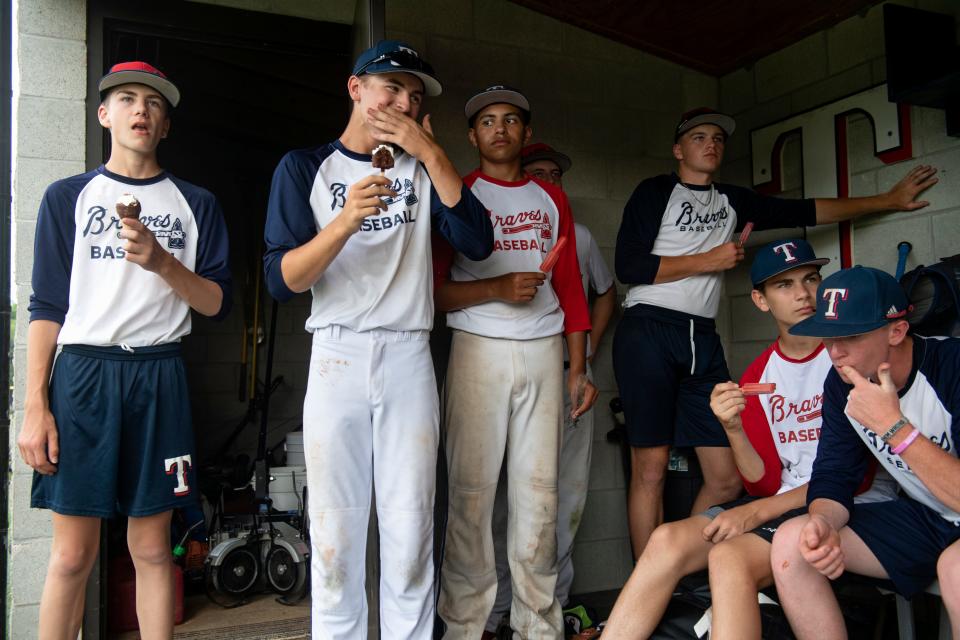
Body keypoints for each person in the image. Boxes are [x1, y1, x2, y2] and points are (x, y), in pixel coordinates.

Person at [613, 106, 939, 558]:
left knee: (725, 477)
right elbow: (628, 267)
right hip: (648, 327)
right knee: (650, 468)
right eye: (698, 137)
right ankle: (644, 577)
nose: (710, 144)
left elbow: (806, 209)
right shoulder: (655, 192)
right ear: (678, 148)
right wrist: (709, 260)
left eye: (717, 139)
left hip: (701, 337)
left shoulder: (732, 200)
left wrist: (887, 200)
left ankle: (686, 575)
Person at [262, 41, 492, 639]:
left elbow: (476, 241)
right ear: (355, 88)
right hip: (337, 351)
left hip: (409, 351)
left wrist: (430, 150)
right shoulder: (305, 166)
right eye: (390, 87)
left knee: (411, 528)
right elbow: (281, 281)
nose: (401, 103)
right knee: (336, 535)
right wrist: (344, 222)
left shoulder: (422, 167)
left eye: (414, 98)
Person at [19, 61, 232, 639]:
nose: (142, 110)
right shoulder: (68, 196)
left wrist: (163, 262)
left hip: (159, 374)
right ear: (104, 114)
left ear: (166, 125)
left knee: (153, 549)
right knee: (71, 555)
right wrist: (35, 406)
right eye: (129, 99)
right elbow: (46, 308)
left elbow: (214, 302)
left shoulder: (196, 203)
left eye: (155, 104)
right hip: (84, 376)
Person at [601, 239, 896, 640]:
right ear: (760, 300)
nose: (804, 294)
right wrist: (733, 428)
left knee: (728, 555)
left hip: (847, 504)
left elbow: (855, 476)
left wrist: (756, 512)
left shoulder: (844, 358)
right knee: (666, 539)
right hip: (783, 502)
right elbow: (761, 482)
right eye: (784, 285)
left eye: (810, 279)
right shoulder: (759, 373)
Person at [434, 86, 598, 638]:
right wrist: (497, 288)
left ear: (526, 135)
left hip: (546, 352)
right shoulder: (457, 191)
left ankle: (538, 624)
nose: (499, 128)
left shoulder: (551, 197)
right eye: (487, 120)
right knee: (471, 496)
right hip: (477, 349)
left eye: (510, 120)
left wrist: (578, 367)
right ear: (472, 135)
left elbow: (572, 288)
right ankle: (465, 624)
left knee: (540, 494)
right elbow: (432, 293)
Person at [769, 266, 960, 639]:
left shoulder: (951, 365)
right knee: (794, 542)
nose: (835, 353)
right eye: (827, 338)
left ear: (897, 330)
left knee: (957, 569)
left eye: (850, 336)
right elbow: (834, 476)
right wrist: (824, 521)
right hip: (932, 517)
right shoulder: (842, 381)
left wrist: (895, 428)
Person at [483, 143, 616, 637]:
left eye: (555, 174)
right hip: (506, 368)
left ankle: (551, 610)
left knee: (562, 497)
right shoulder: (497, 222)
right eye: (537, 172)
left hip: (567, 373)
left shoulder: (577, 234)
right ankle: (497, 613)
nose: (548, 181)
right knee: (502, 499)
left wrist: (586, 354)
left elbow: (605, 293)